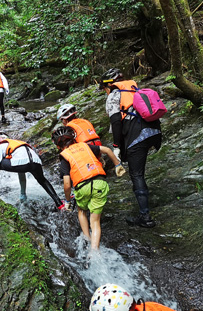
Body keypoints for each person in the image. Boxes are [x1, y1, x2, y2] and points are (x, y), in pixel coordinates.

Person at [100, 68, 161, 228]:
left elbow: (116, 122)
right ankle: (144, 210)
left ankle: (145, 217)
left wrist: (116, 146)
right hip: (154, 131)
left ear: (109, 85)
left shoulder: (114, 95)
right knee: (139, 170)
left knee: (137, 174)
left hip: (138, 136)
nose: (105, 92)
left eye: (104, 88)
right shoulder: (134, 88)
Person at [52, 126, 125, 250]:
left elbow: (67, 183)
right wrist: (117, 164)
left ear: (58, 146)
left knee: (82, 211)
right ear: (74, 137)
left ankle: (87, 237)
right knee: (95, 221)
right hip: (99, 183)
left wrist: (68, 201)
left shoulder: (64, 156)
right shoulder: (85, 146)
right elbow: (107, 149)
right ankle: (94, 249)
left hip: (82, 187)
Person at [0, 131, 62, 207]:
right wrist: (23, 195)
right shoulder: (17, 143)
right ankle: (59, 203)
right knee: (42, 180)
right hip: (36, 162)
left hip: (22, 164)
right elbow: (21, 173)